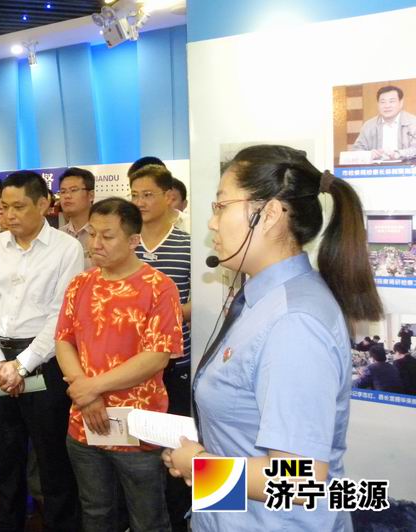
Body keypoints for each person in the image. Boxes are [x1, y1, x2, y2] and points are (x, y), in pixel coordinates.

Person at [163, 144, 384, 531]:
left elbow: (298, 479)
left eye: (221, 206)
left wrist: (199, 466)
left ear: (267, 215)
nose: (212, 223)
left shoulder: (293, 321)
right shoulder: (263, 301)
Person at [56, 197, 182, 532]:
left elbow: (157, 355)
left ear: (133, 240)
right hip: (84, 423)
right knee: (96, 513)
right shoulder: (80, 284)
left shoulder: (159, 287)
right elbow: (64, 340)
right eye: (92, 234)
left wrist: (91, 388)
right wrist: (88, 398)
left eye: (107, 236)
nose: (95, 243)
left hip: (138, 428)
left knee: (148, 519)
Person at [0, 170, 83, 532]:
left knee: (52, 455)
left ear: (44, 204)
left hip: (45, 363)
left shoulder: (67, 249)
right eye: (4, 207)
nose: (9, 215)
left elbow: (60, 317)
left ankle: (60, 523)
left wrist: (21, 366)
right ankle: (9, 521)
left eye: (18, 206)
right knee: (4, 452)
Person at [129, 164, 191, 531]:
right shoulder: (127, 243)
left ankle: (178, 519)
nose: (139, 202)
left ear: (169, 197)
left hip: (174, 365)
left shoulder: (187, 244)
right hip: (128, 366)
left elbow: (202, 301)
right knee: (135, 452)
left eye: (147, 195)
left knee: (175, 450)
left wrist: (161, 315)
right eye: (134, 195)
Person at [352, 85, 416, 160]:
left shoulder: (413, 123)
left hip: (405, 166)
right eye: (383, 102)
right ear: (378, 104)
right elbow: (356, 150)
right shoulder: (369, 126)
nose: (387, 106)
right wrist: (369, 154)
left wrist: (399, 154)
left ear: (401, 103)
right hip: (376, 166)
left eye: (392, 101)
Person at [58, 167, 95, 269]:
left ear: (91, 195)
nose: (67, 196)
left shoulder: (101, 234)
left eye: (73, 190)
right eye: (63, 191)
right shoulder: (58, 235)